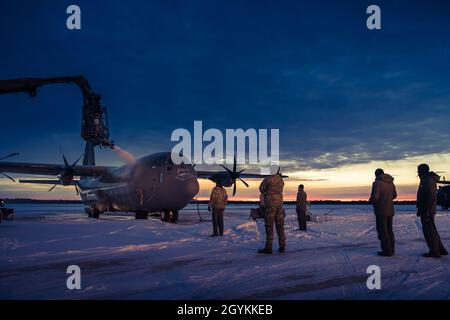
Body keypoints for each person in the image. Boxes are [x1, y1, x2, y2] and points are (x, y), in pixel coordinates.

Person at [416, 164, 448, 258]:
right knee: (432, 229)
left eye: (419, 170)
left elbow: (429, 196)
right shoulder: (427, 179)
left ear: (422, 171)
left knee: (429, 231)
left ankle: (434, 251)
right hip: (428, 209)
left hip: (427, 210)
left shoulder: (427, 180)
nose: (418, 172)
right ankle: (440, 249)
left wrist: (426, 211)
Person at [368, 168, 397, 257]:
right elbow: (394, 195)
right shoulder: (391, 183)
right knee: (389, 230)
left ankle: (387, 251)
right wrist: (387, 199)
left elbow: (375, 197)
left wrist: (371, 201)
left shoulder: (376, 183)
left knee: (382, 231)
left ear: (376, 174)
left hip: (381, 210)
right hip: (390, 210)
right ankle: (391, 249)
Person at [258, 172, 286, 254]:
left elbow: (261, 189)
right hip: (279, 205)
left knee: (269, 226)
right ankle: (282, 246)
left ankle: (268, 248)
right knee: (280, 226)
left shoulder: (268, 179)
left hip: (270, 205)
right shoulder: (281, 180)